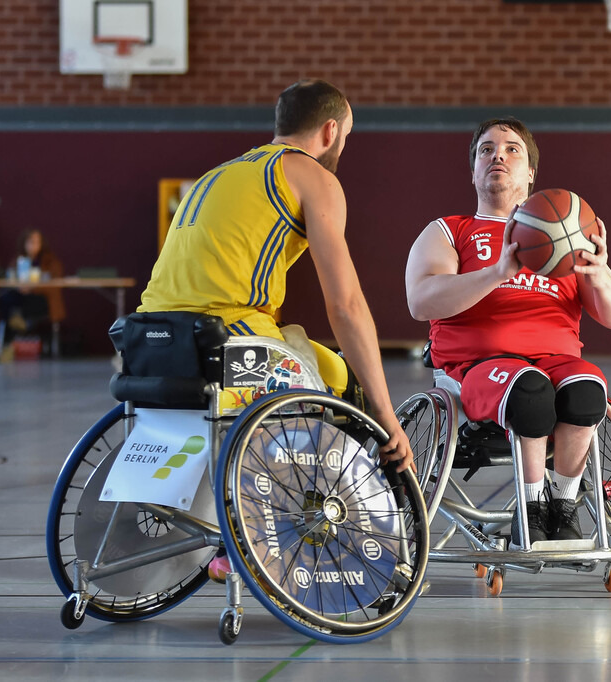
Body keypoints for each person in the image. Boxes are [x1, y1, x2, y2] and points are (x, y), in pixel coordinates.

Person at [138, 78, 413, 474]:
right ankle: (324, 515)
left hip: (149, 339)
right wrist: (387, 419)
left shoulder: (216, 175)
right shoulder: (313, 177)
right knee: (350, 382)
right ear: (331, 131)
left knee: (299, 345)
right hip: (222, 340)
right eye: (347, 135)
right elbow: (346, 306)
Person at [404, 117, 611, 547]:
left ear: (530, 173)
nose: (498, 156)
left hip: (556, 361)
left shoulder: (567, 234)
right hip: (475, 367)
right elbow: (421, 301)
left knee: (587, 387)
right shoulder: (449, 230)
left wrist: (599, 274)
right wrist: (496, 273)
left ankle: (562, 508)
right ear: (473, 170)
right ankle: (530, 509)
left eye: (512, 150)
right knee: (529, 390)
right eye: (486, 150)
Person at [0, 228, 65, 354]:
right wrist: (19, 286)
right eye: (30, 242)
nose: (33, 246)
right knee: (6, 296)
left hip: (40, 297)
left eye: (36, 242)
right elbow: (10, 277)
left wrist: (33, 288)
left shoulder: (49, 260)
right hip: (21, 294)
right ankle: (18, 323)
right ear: (24, 243)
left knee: (31, 303)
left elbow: (54, 280)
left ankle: (18, 327)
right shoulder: (18, 260)